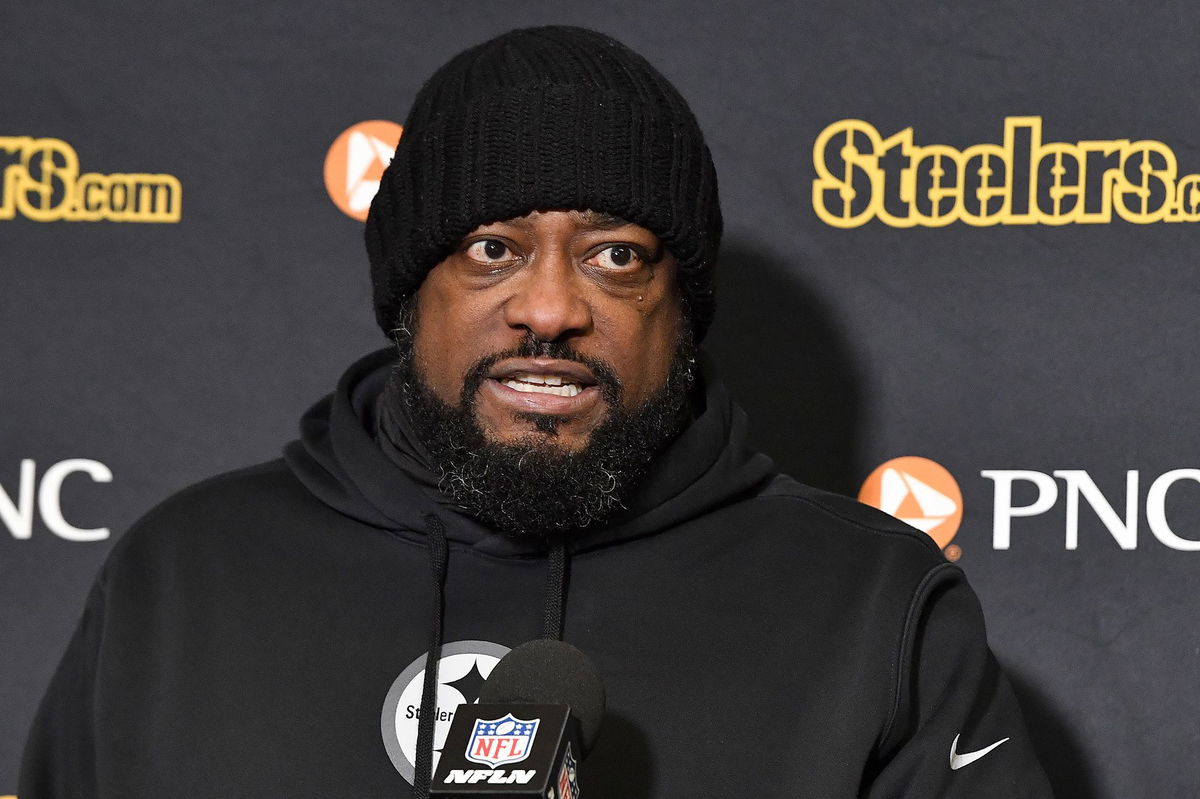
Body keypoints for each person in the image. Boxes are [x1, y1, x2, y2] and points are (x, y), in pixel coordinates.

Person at [20, 25, 1053, 799]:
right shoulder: (183, 575)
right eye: (492, 249)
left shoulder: (873, 605)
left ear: (681, 306)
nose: (552, 309)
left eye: (616, 256)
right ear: (405, 293)